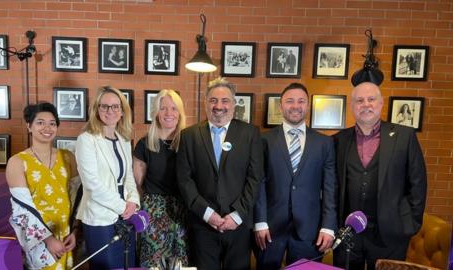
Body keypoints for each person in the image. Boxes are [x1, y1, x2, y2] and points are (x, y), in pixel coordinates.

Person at [333, 82, 427, 270]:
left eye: (371, 99)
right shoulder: (338, 140)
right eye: (359, 100)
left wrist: (409, 225)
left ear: (381, 103)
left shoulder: (404, 136)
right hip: (348, 233)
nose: (366, 104)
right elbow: (332, 186)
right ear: (352, 106)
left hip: (391, 234)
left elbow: (418, 183)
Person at [176, 77, 264, 270]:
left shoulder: (250, 134)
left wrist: (236, 215)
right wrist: (208, 214)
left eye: (225, 101)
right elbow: (185, 180)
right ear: (205, 103)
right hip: (203, 226)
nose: (219, 106)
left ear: (233, 104)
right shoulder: (189, 135)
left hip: (239, 226)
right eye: (213, 100)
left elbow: (255, 178)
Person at [254, 83, 337, 269]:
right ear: (280, 106)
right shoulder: (263, 140)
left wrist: (328, 226)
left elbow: (330, 188)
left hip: (310, 231)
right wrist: (260, 221)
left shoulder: (324, 143)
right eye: (289, 101)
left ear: (308, 106)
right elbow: (258, 183)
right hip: (270, 229)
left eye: (301, 101)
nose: (295, 106)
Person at [6, 102, 78, 269]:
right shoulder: (17, 162)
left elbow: (77, 199)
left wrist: (76, 231)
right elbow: (21, 209)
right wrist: (47, 239)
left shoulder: (69, 157)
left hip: (67, 235)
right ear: (29, 126)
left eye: (52, 123)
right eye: (40, 122)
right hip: (39, 237)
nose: (47, 127)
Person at [75, 86, 140, 269]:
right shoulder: (86, 139)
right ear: (96, 109)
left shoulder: (124, 139)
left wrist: (133, 202)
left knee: (127, 264)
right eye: (104, 106)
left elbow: (128, 176)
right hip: (100, 217)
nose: (110, 111)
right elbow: (92, 185)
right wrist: (122, 207)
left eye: (115, 107)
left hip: (125, 215)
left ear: (122, 111)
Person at [133, 89, 189, 267]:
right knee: (153, 264)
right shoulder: (144, 144)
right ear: (156, 113)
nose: (169, 113)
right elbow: (138, 184)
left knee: (180, 263)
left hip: (183, 211)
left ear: (180, 113)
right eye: (163, 108)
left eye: (174, 108)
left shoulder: (189, 142)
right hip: (153, 212)